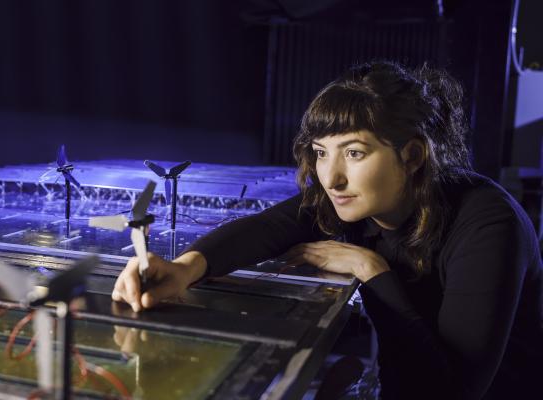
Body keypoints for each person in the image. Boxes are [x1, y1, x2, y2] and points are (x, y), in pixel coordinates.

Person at [112, 61, 543, 399]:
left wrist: (370, 269)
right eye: (321, 153)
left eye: (354, 153)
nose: (331, 178)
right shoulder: (352, 197)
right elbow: (272, 225)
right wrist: (185, 268)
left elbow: (450, 391)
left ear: (412, 155)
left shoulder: (488, 224)